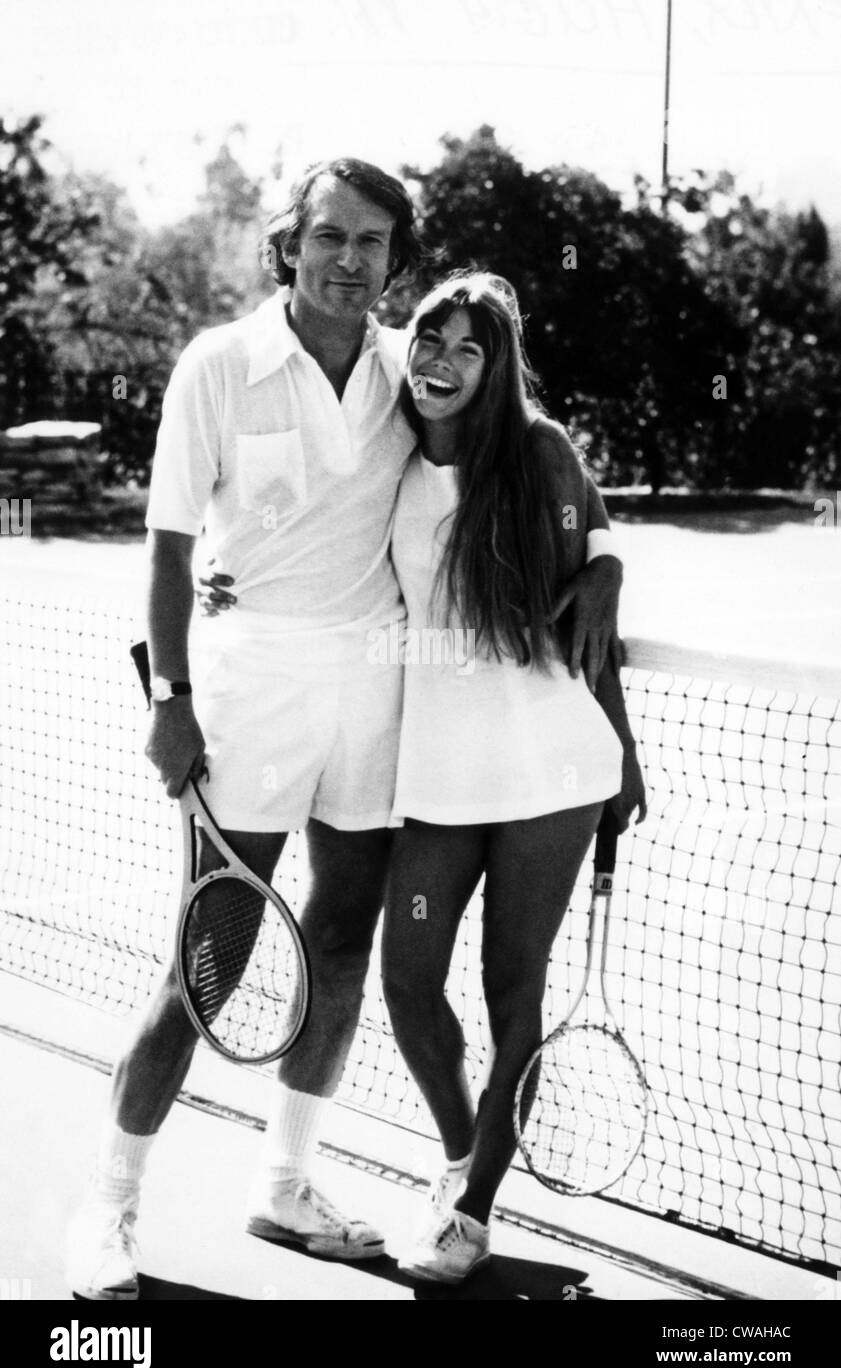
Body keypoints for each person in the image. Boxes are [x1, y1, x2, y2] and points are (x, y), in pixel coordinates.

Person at [66, 159, 624, 1300]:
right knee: (207, 965)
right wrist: (169, 696)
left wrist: (606, 552)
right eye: (330, 236)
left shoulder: (405, 368)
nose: (349, 259)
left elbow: (530, 445)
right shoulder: (215, 366)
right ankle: (108, 1209)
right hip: (249, 699)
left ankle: (286, 1182)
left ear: (393, 261)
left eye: (373, 242)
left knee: (338, 952)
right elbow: (172, 547)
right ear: (290, 244)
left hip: (378, 705)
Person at [379, 272, 647, 1284]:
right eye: (428, 341)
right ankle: (463, 1158)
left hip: (553, 770)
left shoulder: (535, 450)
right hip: (439, 771)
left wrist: (622, 753)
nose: (439, 363)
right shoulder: (392, 454)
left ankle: (471, 1213)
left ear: (497, 369)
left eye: (466, 348)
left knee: (508, 986)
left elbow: (592, 634)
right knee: (406, 978)